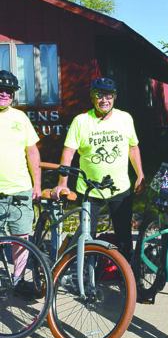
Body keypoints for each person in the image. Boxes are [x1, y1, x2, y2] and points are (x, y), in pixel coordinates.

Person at [54, 77, 145, 262]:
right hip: (89, 188)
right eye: (99, 95)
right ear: (92, 97)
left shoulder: (125, 118)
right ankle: (86, 271)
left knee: (124, 233)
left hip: (119, 187)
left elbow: (133, 148)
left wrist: (140, 175)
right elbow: (68, 153)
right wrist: (62, 183)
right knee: (87, 233)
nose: (104, 100)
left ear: (115, 97)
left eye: (108, 96)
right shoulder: (81, 121)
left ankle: (127, 272)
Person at [0, 70, 41, 286]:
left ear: (13, 95)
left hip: (20, 188)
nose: (3, 94)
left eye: (8, 91)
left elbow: (32, 152)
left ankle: (18, 279)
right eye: (0, 90)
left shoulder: (20, 118)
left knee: (22, 237)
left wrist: (37, 184)